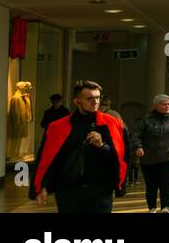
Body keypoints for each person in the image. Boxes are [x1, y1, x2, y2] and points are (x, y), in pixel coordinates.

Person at [34, 80, 127, 213]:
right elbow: (49, 158)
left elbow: (120, 157)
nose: (95, 102)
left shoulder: (112, 124)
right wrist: (43, 187)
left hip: (100, 190)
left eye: (97, 97)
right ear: (77, 101)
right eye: (90, 98)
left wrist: (102, 146)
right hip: (68, 191)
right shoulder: (58, 127)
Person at [130, 94, 169, 212]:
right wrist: (138, 147)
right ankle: (152, 208)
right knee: (151, 185)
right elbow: (135, 136)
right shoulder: (146, 120)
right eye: (164, 104)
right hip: (149, 158)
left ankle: (165, 208)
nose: (167, 106)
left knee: (166, 184)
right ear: (156, 106)